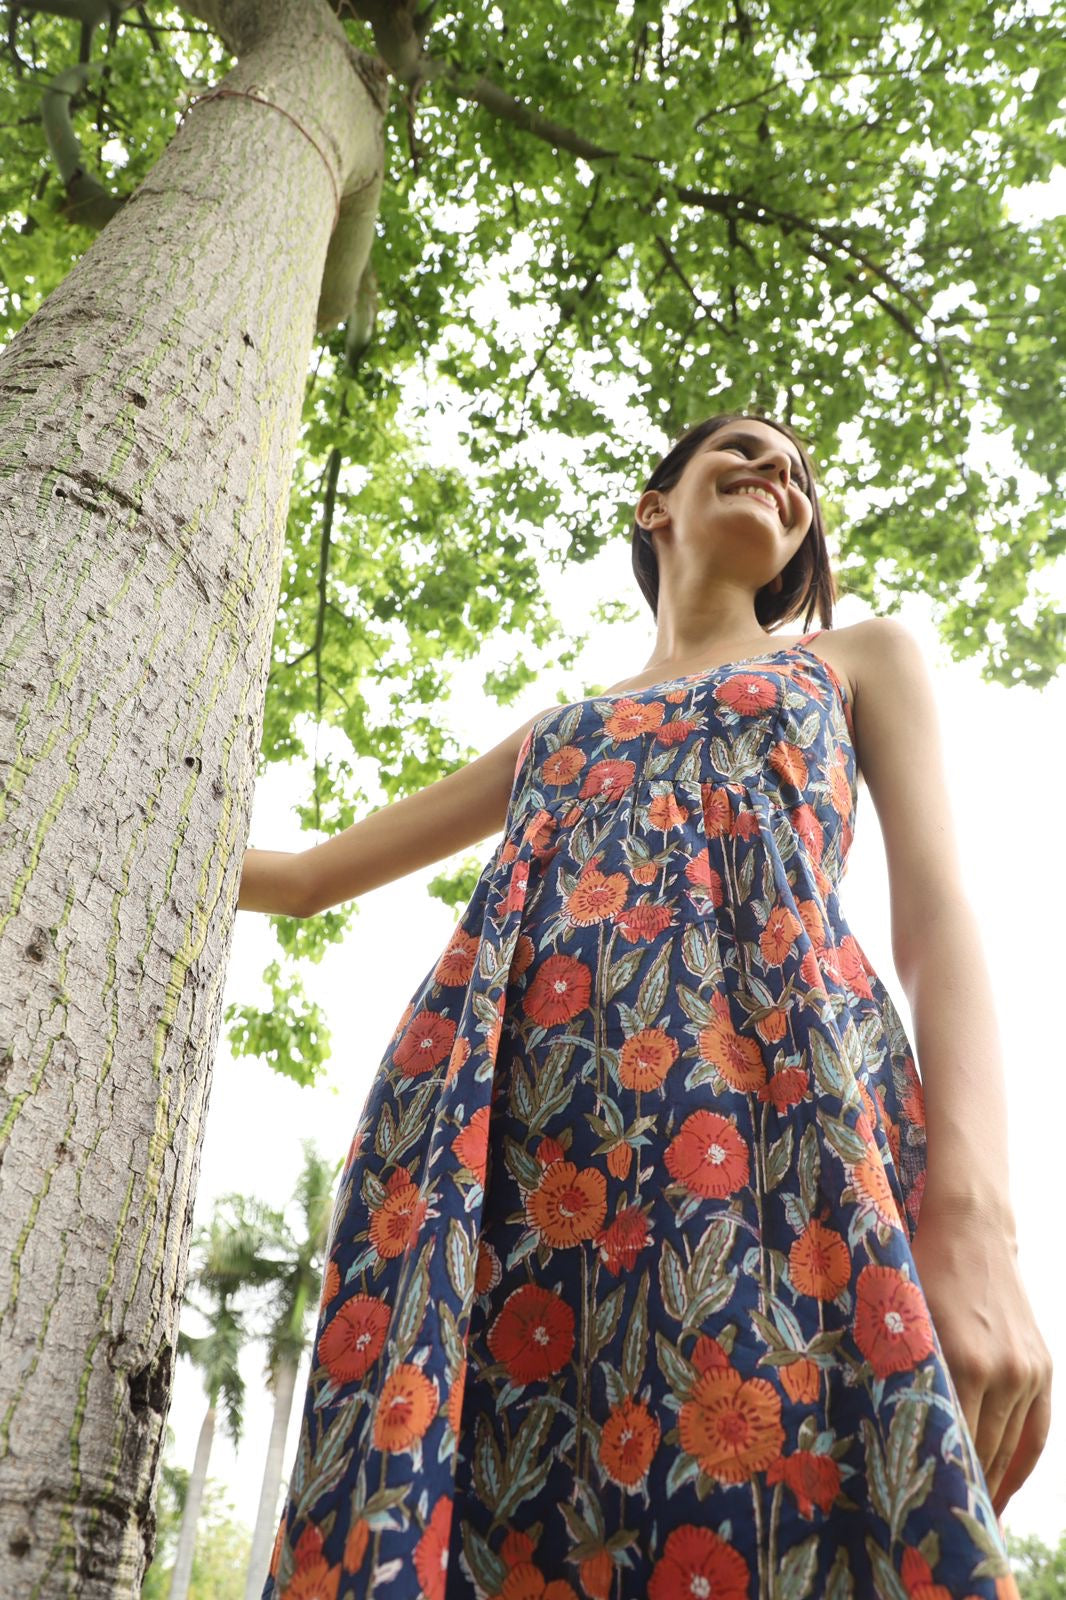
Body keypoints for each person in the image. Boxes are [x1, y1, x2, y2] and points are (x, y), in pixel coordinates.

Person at [241, 411, 1051, 1600]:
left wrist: (977, 1219)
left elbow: (936, 920)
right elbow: (310, 881)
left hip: (779, 1133)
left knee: (771, 1489)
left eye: (799, 473)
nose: (779, 471)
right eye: (744, 448)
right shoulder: (556, 731)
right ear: (653, 503)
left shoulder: (858, 658)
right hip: (503, 1147)